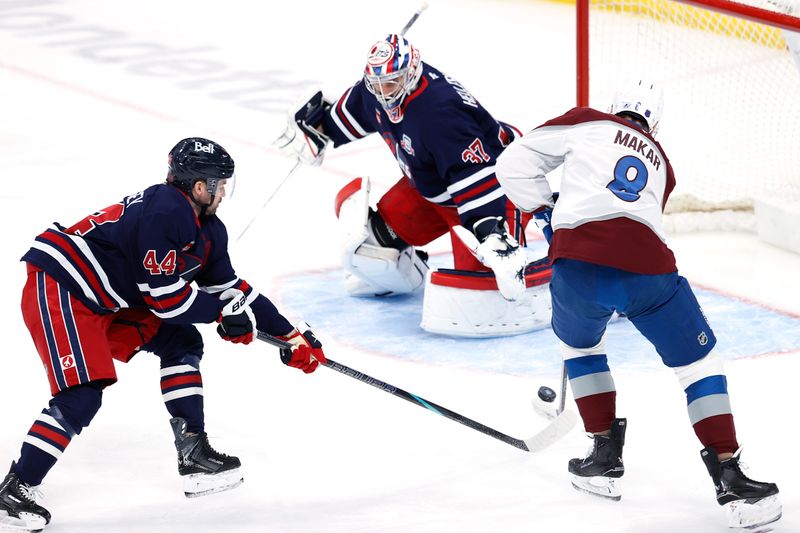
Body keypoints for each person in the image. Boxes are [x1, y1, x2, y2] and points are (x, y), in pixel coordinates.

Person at [494, 80, 781, 529]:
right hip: (649, 272)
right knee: (699, 365)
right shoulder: (663, 163)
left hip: (577, 271)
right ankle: (731, 477)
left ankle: (603, 459)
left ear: (614, 108)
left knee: (582, 350)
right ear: (655, 125)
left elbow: (511, 162)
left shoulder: (587, 120)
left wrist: (545, 209)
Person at [0, 138, 327, 532]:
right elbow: (167, 302)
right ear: (198, 186)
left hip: (108, 298)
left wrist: (291, 336)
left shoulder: (207, 229)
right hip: (63, 287)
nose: (225, 191)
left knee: (182, 341)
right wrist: (224, 315)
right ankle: (14, 490)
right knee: (82, 394)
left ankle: (193, 453)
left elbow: (232, 290)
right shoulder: (166, 210)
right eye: (219, 183)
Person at [276, 34, 553, 338]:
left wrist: (489, 232)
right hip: (434, 187)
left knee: (490, 287)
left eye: (391, 83)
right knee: (369, 248)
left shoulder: (440, 112)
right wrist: (314, 129)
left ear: (411, 74)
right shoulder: (376, 89)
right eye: (377, 84)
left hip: (496, 188)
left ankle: (547, 235)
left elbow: (475, 176)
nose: (383, 92)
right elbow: (346, 117)